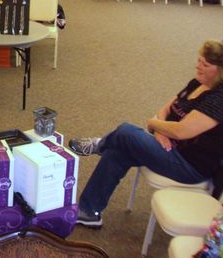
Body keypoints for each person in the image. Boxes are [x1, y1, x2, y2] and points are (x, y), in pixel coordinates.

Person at [69, 40, 223, 229]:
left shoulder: (218, 100)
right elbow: (166, 109)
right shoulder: (196, 83)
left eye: (205, 64)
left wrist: (152, 124)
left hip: (188, 165)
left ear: (220, 71)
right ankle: (89, 212)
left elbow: (181, 131)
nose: (198, 66)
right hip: (168, 146)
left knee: (126, 132)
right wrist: (158, 130)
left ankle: (100, 144)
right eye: (199, 60)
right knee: (119, 151)